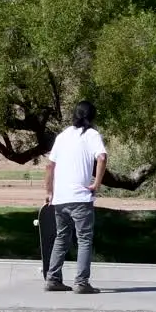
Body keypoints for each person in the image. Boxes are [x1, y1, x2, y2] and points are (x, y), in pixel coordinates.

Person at [44, 100, 107, 294]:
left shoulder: (63, 136)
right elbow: (102, 157)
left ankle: (52, 279)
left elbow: (49, 165)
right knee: (84, 239)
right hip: (80, 197)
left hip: (60, 198)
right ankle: (81, 283)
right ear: (92, 116)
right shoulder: (92, 134)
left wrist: (49, 192)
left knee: (61, 237)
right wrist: (96, 183)